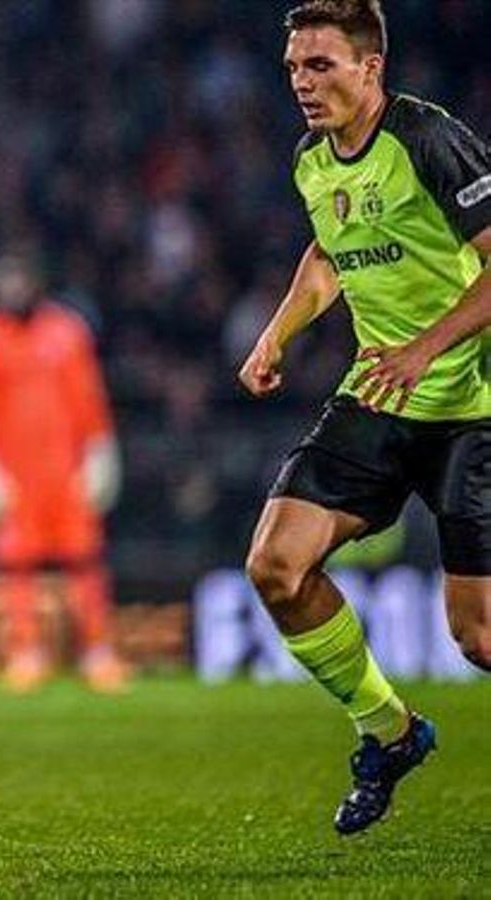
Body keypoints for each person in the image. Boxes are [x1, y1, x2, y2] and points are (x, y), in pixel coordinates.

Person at [238, 0, 490, 836]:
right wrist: (278, 332)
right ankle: (392, 733)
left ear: (370, 67)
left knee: (479, 638)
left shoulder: (427, 139)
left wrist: (424, 347)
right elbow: (328, 253)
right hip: (377, 398)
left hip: (469, 407)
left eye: (322, 66)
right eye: (295, 70)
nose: (304, 85)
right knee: (276, 567)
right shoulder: (314, 161)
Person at [0, 252, 126, 693]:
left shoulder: (67, 332)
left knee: (85, 560)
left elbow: (89, 398)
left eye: (19, 281)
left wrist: (100, 450)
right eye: (5, 282)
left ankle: (98, 652)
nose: (12, 290)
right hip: (13, 475)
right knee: (16, 565)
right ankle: (26, 653)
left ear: (35, 283)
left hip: (65, 470)